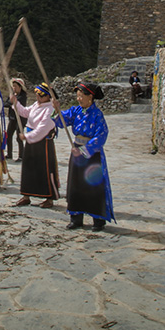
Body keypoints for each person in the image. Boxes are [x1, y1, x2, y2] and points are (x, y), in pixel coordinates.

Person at [55, 81, 115, 231]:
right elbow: (61, 121)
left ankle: (98, 220)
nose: (79, 99)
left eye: (81, 96)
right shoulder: (75, 111)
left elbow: (101, 136)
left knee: (93, 186)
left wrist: (84, 151)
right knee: (76, 184)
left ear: (91, 97)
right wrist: (55, 109)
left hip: (92, 154)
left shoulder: (97, 115)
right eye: (78, 96)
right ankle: (76, 218)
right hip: (76, 151)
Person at [12, 84, 60, 208]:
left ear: (48, 96)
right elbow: (24, 112)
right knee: (28, 168)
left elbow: (43, 128)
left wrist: (27, 136)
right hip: (31, 141)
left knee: (44, 170)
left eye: (41, 95)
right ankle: (26, 195)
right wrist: (15, 102)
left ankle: (49, 198)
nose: (38, 97)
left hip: (43, 143)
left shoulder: (50, 109)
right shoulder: (36, 105)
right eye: (37, 94)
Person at [5, 77, 28, 161]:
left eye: (16, 86)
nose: (14, 88)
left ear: (20, 87)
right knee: (8, 135)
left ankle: (21, 155)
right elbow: (7, 103)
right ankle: (9, 154)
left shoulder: (23, 96)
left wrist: (12, 102)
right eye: (13, 86)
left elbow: (17, 103)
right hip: (12, 118)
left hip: (20, 118)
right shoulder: (12, 95)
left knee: (19, 137)